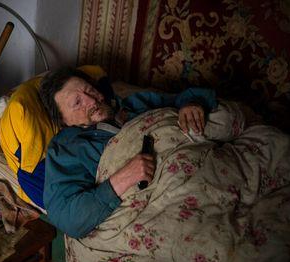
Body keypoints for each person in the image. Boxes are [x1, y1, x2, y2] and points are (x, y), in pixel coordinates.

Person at [40, 67, 217, 238]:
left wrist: (191, 104)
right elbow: (68, 219)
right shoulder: (65, 150)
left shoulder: (131, 105)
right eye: (77, 103)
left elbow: (188, 96)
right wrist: (123, 179)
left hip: (203, 162)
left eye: (90, 90)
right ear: (63, 121)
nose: (92, 101)